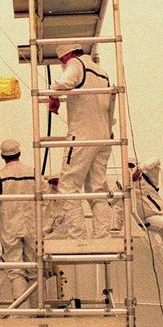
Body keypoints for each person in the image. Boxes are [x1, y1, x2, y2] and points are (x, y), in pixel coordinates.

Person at [48, 42, 115, 239]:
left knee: (68, 185)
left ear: (65, 56)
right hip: (103, 136)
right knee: (96, 187)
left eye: (62, 62)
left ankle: (77, 235)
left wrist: (54, 96)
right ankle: (103, 234)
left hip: (82, 136)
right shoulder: (101, 72)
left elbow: (62, 83)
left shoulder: (76, 64)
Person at [0, 140, 38, 301]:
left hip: (10, 227)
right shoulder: (33, 173)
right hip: (33, 226)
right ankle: (39, 312)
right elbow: (46, 199)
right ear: (19, 153)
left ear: (3, 156)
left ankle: (23, 314)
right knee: (36, 269)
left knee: (15, 270)